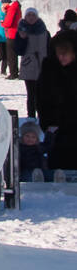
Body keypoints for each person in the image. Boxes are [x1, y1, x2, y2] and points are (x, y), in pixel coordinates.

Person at [38, 31, 77, 172]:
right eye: (59, 53)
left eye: (65, 53)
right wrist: (48, 122)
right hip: (56, 125)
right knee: (58, 161)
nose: (61, 57)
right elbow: (42, 97)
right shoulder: (49, 68)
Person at [15, 7, 50, 120]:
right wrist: (23, 39)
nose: (31, 18)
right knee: (31, 94)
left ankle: (42, 116)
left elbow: (49, 48)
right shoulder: (21, 31)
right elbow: (18, 50)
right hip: (28, 65)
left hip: (42, 65)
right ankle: (31, 117)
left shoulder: (44, 30)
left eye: (33, 15)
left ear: (37, 16)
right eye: (28, 15)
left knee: (42, 93)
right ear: (25, 17)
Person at [2, 0, 22, 80]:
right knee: (13, 54)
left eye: (3, 3)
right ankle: (15, 72)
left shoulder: (12, 8)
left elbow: (8, 23)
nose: (2, 5)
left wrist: (2, 23)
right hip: (15, 33)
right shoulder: (15, 7)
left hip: (11, 34)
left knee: (11, 55)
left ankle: (13, 73)